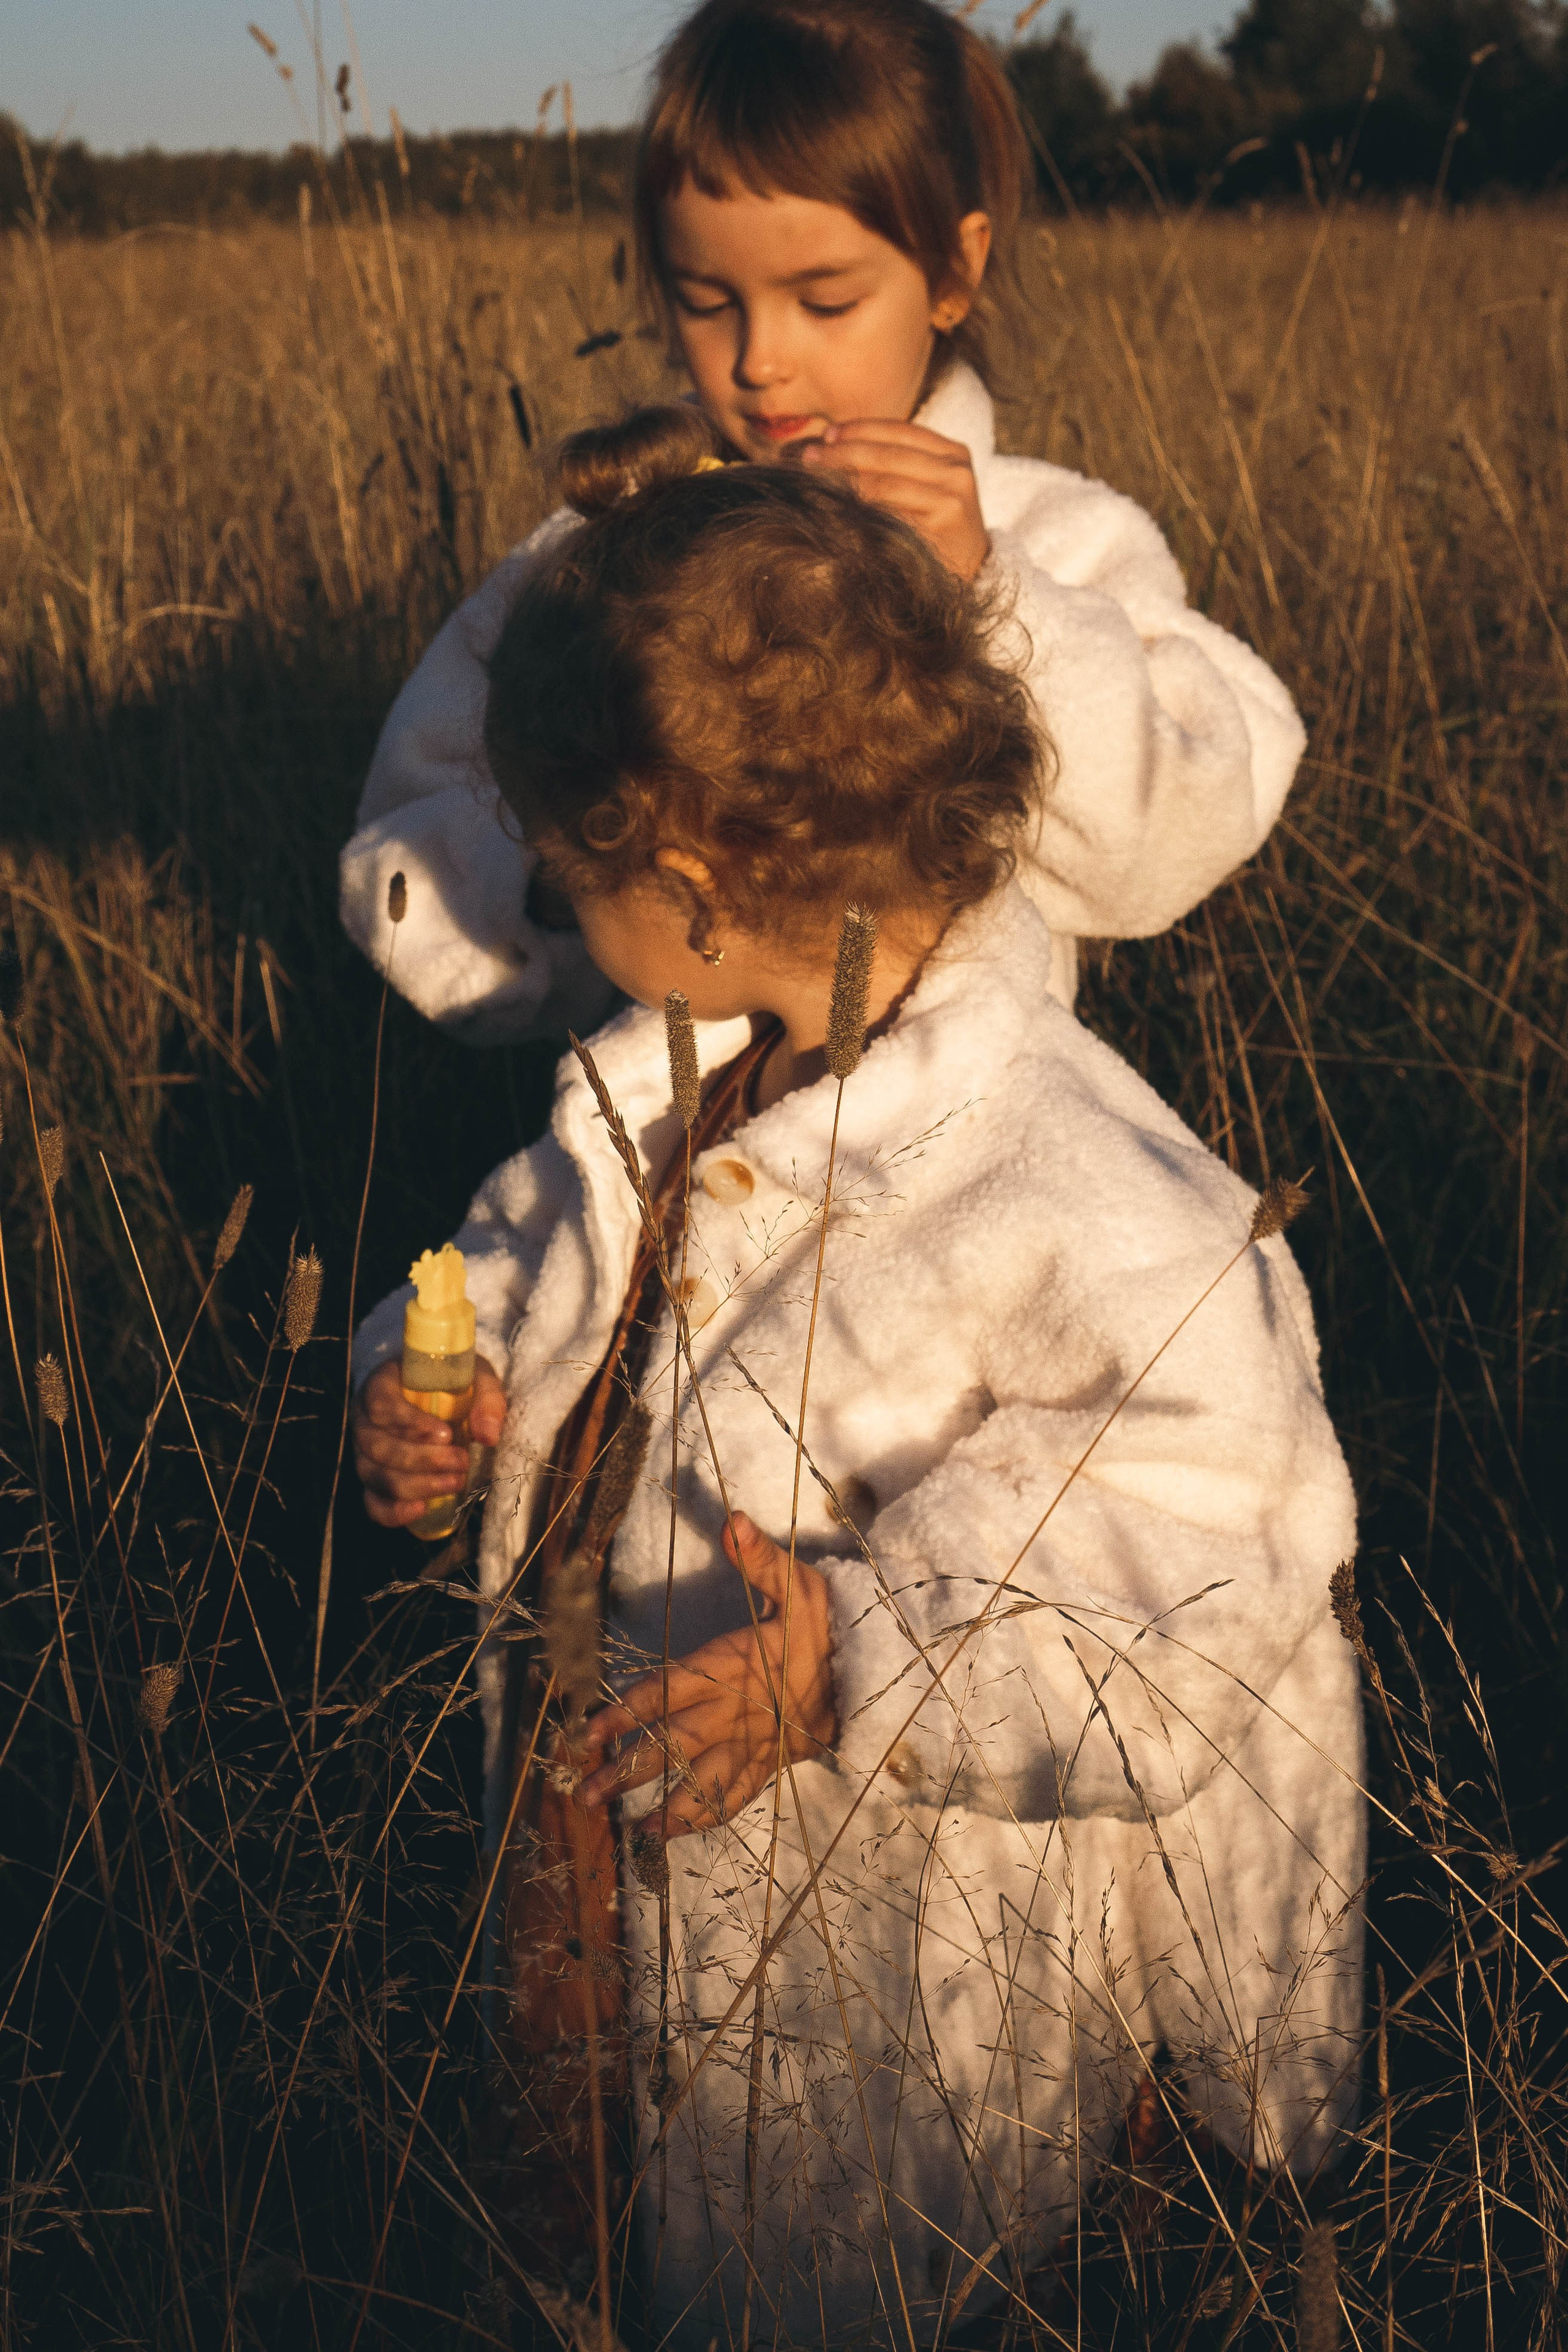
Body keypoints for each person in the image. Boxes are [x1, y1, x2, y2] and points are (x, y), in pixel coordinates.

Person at [350, 414, 1364, 2347]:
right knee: (604, 2249)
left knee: (851, 2272)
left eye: (578, 871)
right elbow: (527, 1260)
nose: (553, 915)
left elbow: (1215, 1539)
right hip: (607, 1883)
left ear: (709, 877)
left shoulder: (1076, 1176)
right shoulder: (668, 1073)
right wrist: (439, 1387)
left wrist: (865, 1658)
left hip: (887, 1969)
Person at [339, 0, 1306, 1043]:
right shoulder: (607, 558)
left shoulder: (1054, 542)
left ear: (953, 272)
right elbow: (409, 840)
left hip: (949, 1168)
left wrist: (991, 586)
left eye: (825, 301)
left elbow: (1178, 837)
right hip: (657, 1168)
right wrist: (570, 875)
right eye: (708, 300)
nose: (761, 359)